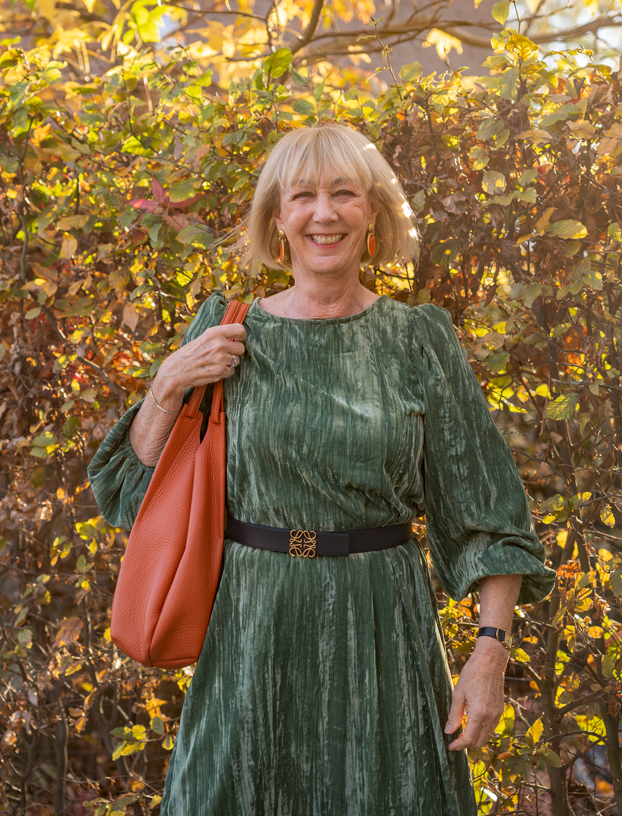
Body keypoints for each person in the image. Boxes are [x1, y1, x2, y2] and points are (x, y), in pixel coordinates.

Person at [88, 123, 555, 816]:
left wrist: (488, 654)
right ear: (277, 218)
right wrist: (167, 385)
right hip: (251, 630)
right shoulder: (227, 330)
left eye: (343, 193)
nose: (323, 213)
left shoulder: (416, 339)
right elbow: (131, 492)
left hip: (381, 629)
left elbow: (486, 512)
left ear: (372, 213)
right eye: (302, 195)